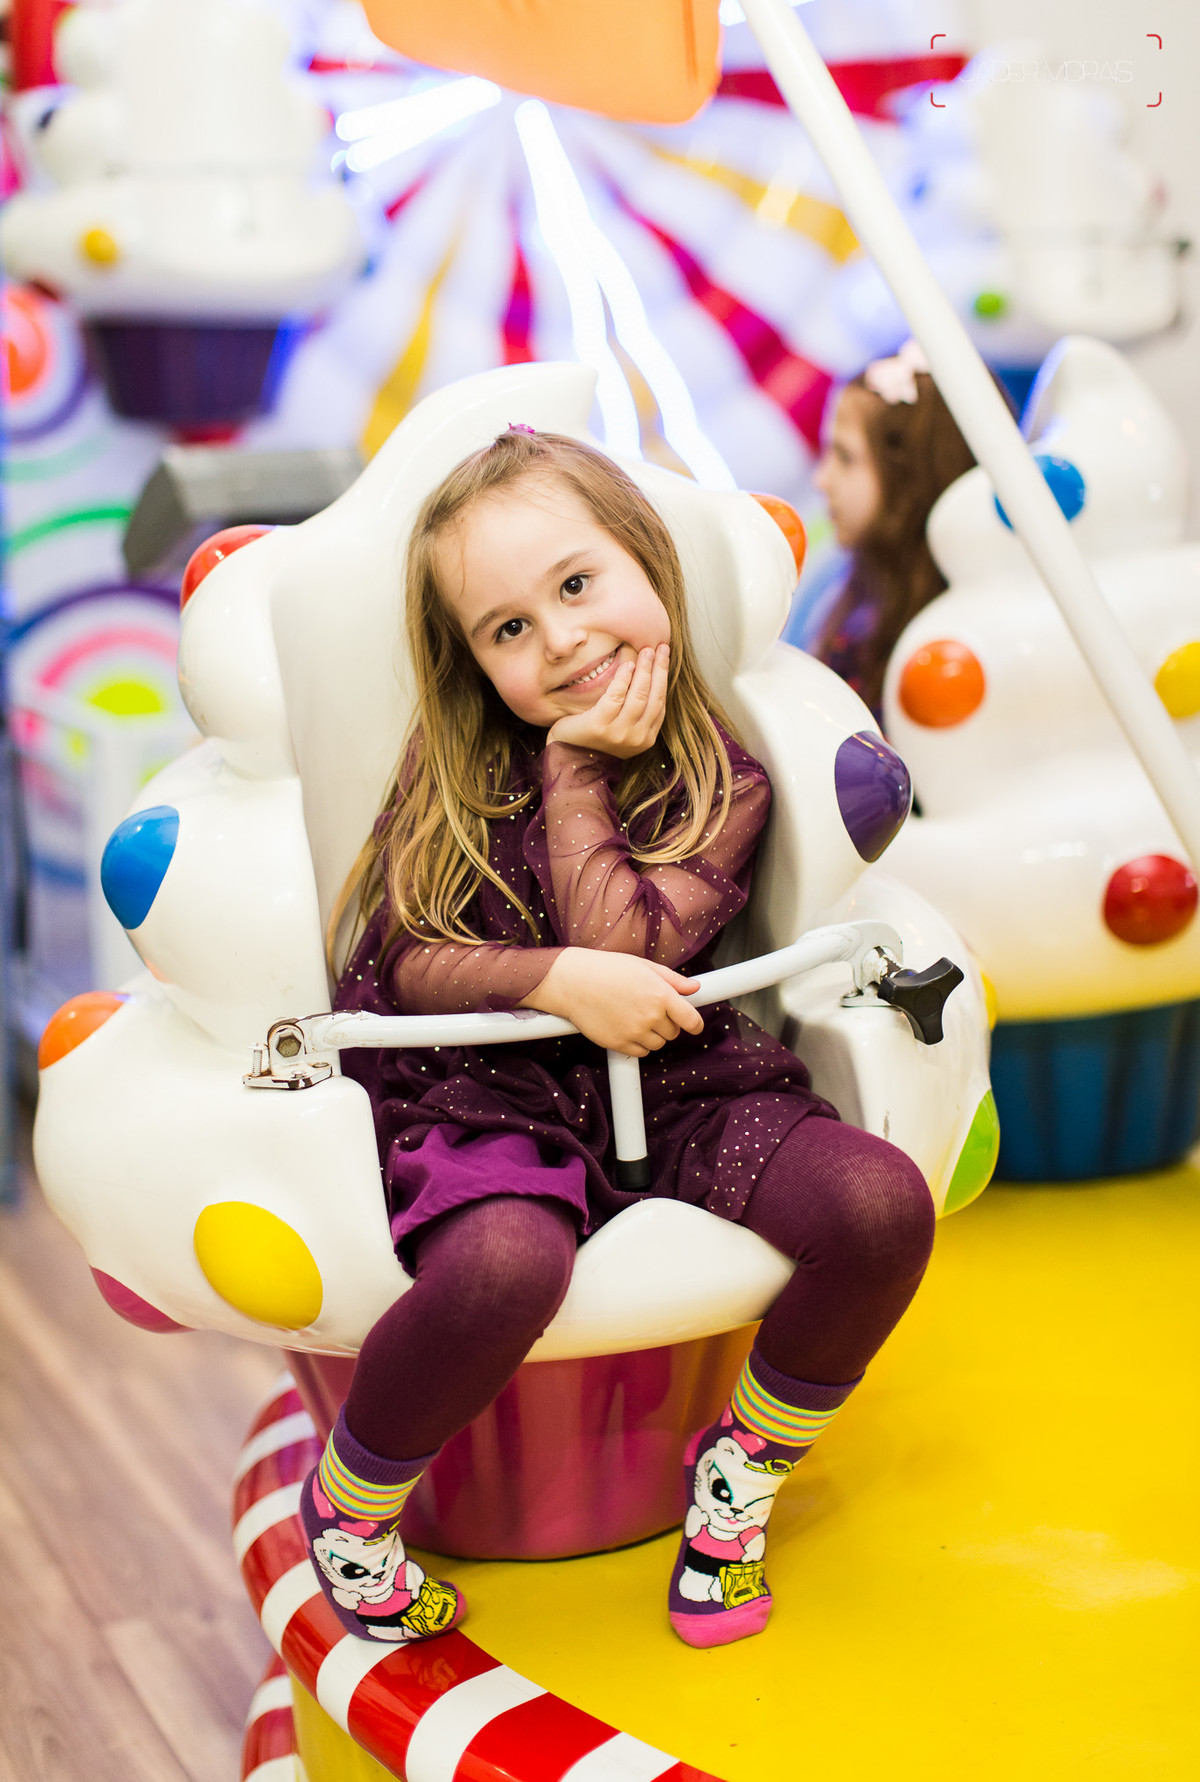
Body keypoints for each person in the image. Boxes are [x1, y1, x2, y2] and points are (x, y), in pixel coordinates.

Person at [300, 426, 936, 1651]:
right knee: (502, 1268)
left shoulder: (725, 779)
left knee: (878, 1209)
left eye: (579, 584)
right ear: (475, 663)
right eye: (510, 628)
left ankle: (738, 1472)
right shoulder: (455, 769)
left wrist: (579, 771)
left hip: (681, 1078)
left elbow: (630, 947)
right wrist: (553, 977)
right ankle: (352, 1507)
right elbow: (409, 959)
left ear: (650, 561)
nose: (561, 639)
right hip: (483, 1087)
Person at [807, 341, 979, 719]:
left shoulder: (946, 637)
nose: (822, 480)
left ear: (909, 483)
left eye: (845, 457)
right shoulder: (851, 585)